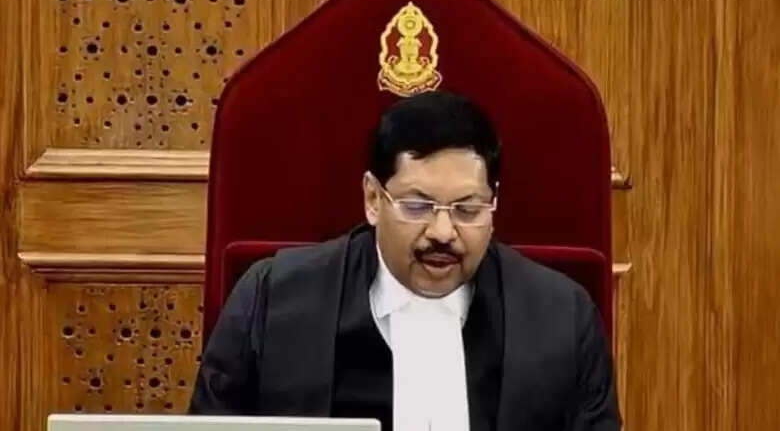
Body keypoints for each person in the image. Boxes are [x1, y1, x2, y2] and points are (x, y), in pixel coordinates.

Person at [190, 91, 620, 431]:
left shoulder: (562, 316)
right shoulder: (270, 300)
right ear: (373, 199)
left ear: (494, 204)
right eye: (417, 206)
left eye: (468, 209)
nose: (443, 232)